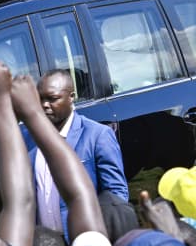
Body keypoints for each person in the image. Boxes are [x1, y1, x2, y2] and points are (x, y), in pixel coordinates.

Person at [27, 69, 130, 235]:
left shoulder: (96, 135)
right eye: (40, 99)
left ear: (71, 97)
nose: (44, 105)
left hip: (84, 244)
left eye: (52, 99)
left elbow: (116, 195)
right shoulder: (29, 139)